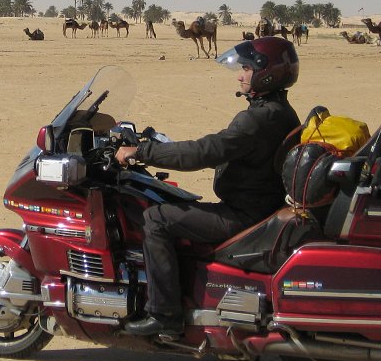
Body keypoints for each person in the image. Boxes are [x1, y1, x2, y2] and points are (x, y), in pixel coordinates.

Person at [115, 36, 301, 336]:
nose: (240, 75)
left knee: (155, 218)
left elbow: (204, 152)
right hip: (260, 207)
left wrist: (141, 151)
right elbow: (224, 151)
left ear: (266, 73)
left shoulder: (258, 119)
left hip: (242, 216)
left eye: (246, 69)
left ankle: (165, 314)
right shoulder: (278, 111)